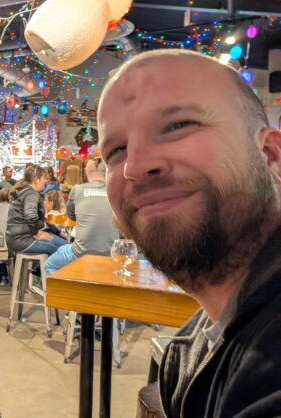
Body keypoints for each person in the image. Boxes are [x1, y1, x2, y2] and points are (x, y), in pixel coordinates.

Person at [97, 49, 281, 417]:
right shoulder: (190, 346)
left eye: (179, 125)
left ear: (271, 155)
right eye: (116, 150)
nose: (135, 166)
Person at [44, 158, 118, 274]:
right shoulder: (115, 191)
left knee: (50, 265)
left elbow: (71, 215)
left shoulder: (77, 190)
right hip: (112, 254)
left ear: (86, 172)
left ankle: (69, 291)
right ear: (107, 171)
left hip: (81, 252)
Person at [6, 165, 68, 255]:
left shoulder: (25, 191)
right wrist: (36, 233)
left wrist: (58, 232)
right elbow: (31, 215)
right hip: (23, 240)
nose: (46, 181)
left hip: (17, 238)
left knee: (65, 246)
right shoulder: (31, 194)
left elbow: (41, 220)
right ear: (36, 179)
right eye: (44, 178)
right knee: (66, 251)